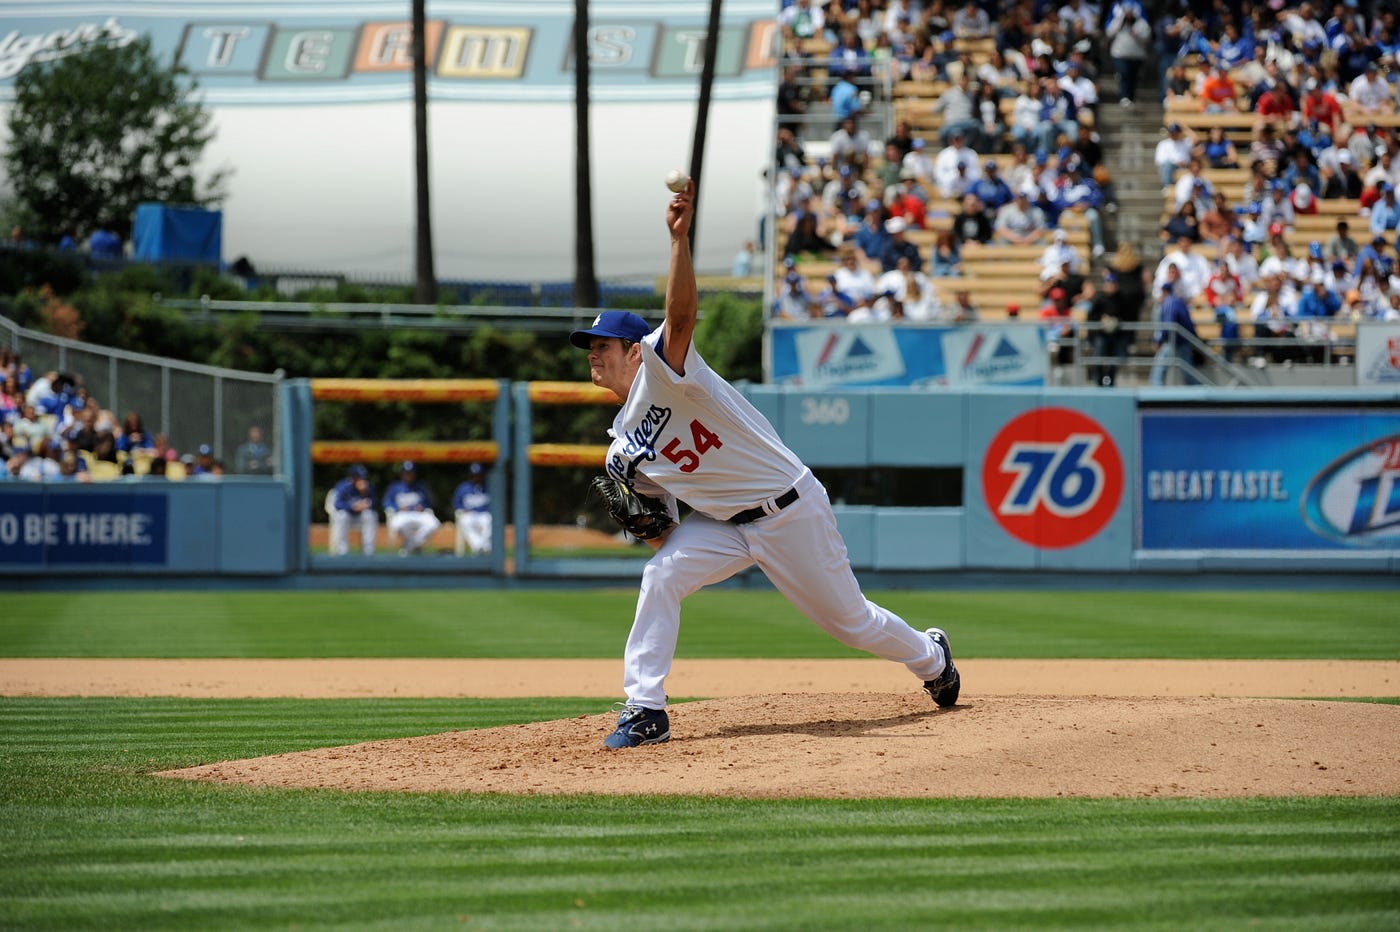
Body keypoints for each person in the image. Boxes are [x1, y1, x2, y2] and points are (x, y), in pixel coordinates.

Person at [569, 181, 959, 749]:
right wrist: (651, 526)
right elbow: (666, 532)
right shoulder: (620, 449)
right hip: (725, 525)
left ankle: (931, 658)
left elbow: (681, 315)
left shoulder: (663, 368)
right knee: (662, 576)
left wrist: (679, 241)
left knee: (850, 623)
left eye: (603, 345)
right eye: (589, 348)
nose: (593, 355)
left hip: (788, 509)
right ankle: (645, 708)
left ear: (634, 349)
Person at [382, 460, 441, 556]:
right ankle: (415, 547)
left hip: (419, 514)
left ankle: (408, 547)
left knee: (434, 524)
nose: (408, 475)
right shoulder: (395, 487)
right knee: (396, 525)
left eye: (411, 473)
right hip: (402, 514)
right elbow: (386, 503)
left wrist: (423, 506)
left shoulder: (421, 486)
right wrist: (398, 507)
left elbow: (429, 502)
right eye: (406, 473)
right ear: (402, 474)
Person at [1150, 280, 1200, 386]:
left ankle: (1156, 395)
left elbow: (1169, 325)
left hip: (1175, 342)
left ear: (1164, 292)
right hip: (1183, 340)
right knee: (1187, 372)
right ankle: (1199, 392)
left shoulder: (1170, 301)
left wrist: (1158, 341)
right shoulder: (1178, 301)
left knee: (1158, 370)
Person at [329, 464, 378, 556]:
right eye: (359, 477)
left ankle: (368, 551)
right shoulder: (343, 486)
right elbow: (337, 504)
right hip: (348, 516)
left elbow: (375, 503)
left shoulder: (368, 487)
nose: (361, 479)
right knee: (341, 516)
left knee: (371, 515)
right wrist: (352, 506)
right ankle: (342, 551)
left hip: (360, 517)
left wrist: (365, 496)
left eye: (362, 477)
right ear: (352, 477)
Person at [452, 463, 492, 556]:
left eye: (478, 475)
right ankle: (480, 547)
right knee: (465, 521)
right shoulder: (463, 488)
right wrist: (462, 508)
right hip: (469, 514)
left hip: (484, 514)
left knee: (489, 521)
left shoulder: (489, 487)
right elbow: (456, 503)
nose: (476, 477)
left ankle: (481, 548)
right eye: (474, 475)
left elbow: (495, 505)